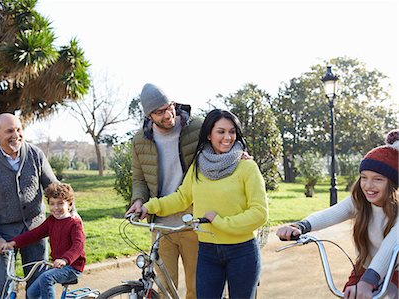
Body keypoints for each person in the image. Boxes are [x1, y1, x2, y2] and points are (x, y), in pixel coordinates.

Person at [136, 109, 269, 299]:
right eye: (221, 131)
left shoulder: (247, 167)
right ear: (209, 134)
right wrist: (149, 207)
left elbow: (259, 213)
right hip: (207, 251)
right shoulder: (199, 166)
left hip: (242, 251)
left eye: (232, 132)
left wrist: (220, 222)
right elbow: (182, 198)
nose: (228, 137)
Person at [276, 129, 399, 299]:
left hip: (393, 272)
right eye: (364, 177)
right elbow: (330, 214)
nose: (368, 186)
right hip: (366, 267)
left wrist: (367, 282)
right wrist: (300, 226)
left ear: (392, 184)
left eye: (378, 179)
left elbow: (390, 247)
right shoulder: (360, 201)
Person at [127, 83, 203, 299]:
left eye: (169, 106)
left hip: (192, 222)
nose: (167, 114)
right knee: (164, 290)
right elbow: (139, 179)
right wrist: (139, 200)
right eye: (159, 112)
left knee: (196, 289)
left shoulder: (196, 127)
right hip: (161, 226)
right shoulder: (140, 140)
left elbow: (222, 141)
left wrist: (238, 153)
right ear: (148, 115)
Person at [0, 112, 58, 299]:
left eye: (19, 129)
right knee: (3, 288)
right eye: (9, 131)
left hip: (36, 230)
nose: (16, 135)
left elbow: (53, 186)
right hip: (3, 234)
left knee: (38, 285)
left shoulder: (35, 154)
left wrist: (70, 209)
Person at [2, 182, 86, 299]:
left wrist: (65, 259)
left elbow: (78, 245)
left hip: (72, 267)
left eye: (60, 204)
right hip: (57, 266)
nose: (56, 208)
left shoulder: (74, 223)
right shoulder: (52, 220)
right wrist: (14, 243)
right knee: (32, 293)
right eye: (52, 204)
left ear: (70, 205)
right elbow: (35, 234)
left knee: (46, 278)